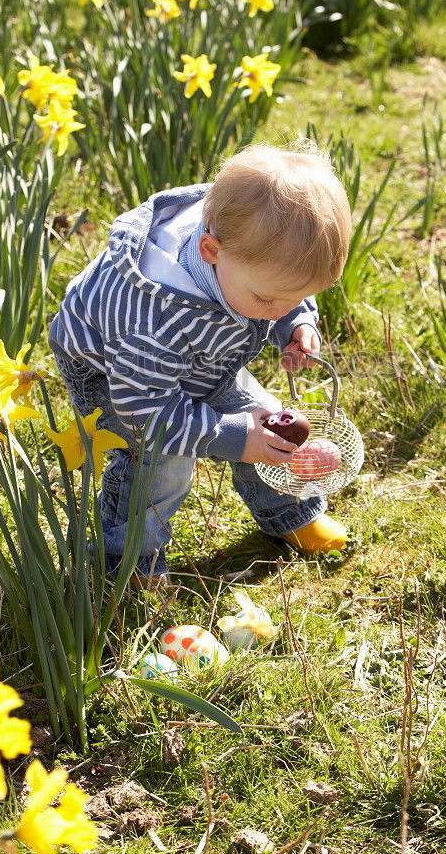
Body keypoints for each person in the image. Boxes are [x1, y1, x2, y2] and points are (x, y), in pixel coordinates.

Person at [48, 140, 352, 587]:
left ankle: (289, 512)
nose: (277, 309)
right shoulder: (151, 317)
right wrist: (231, 437)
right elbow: (145, 412)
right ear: (210, 250)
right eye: (269, 299)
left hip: (203, 351)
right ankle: (130, 559)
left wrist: (295, 322)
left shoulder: (248, 251)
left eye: (293, 296)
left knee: (268, 422)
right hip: (119, 377)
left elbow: (283, 292)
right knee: (161, 463)